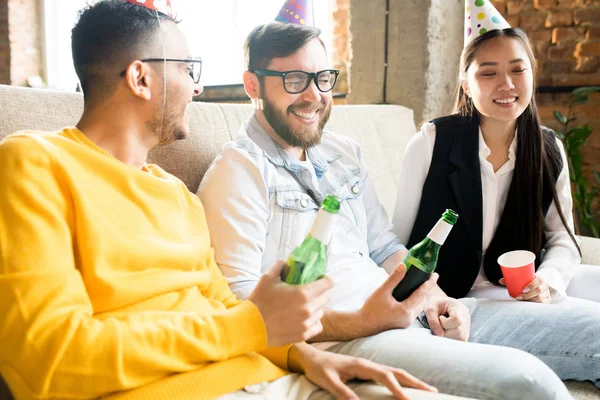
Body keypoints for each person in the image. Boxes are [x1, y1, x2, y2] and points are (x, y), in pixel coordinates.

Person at [0, 1, 443, 399]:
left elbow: (226, 306)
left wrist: (306, 357)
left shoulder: (175, 194)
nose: (197, 89)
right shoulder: (35, 163)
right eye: (187, 70)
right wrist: (253, 327)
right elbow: (49, 361)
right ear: (140, 78)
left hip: (274, 376)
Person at [198, 19, 600, 400]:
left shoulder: (343, 153)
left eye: (322, 79)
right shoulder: (238, 171)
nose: (314, 95)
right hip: (360, 337)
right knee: (530, 384)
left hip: (421, 311)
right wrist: (363, 321)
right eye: (293, 80)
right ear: (252, 84)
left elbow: (385, 246)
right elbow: (244, 308)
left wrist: (438, 299)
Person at [392, 6, 600, 305]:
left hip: (520, 292)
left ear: (532, 73)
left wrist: (548, 279)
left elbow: (563, 238)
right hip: (453, 297)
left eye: (518, 70)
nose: (507, 84)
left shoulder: (548, 147)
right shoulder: (431, 142)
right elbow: (397, 241)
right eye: (489, 73)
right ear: (466, 85)